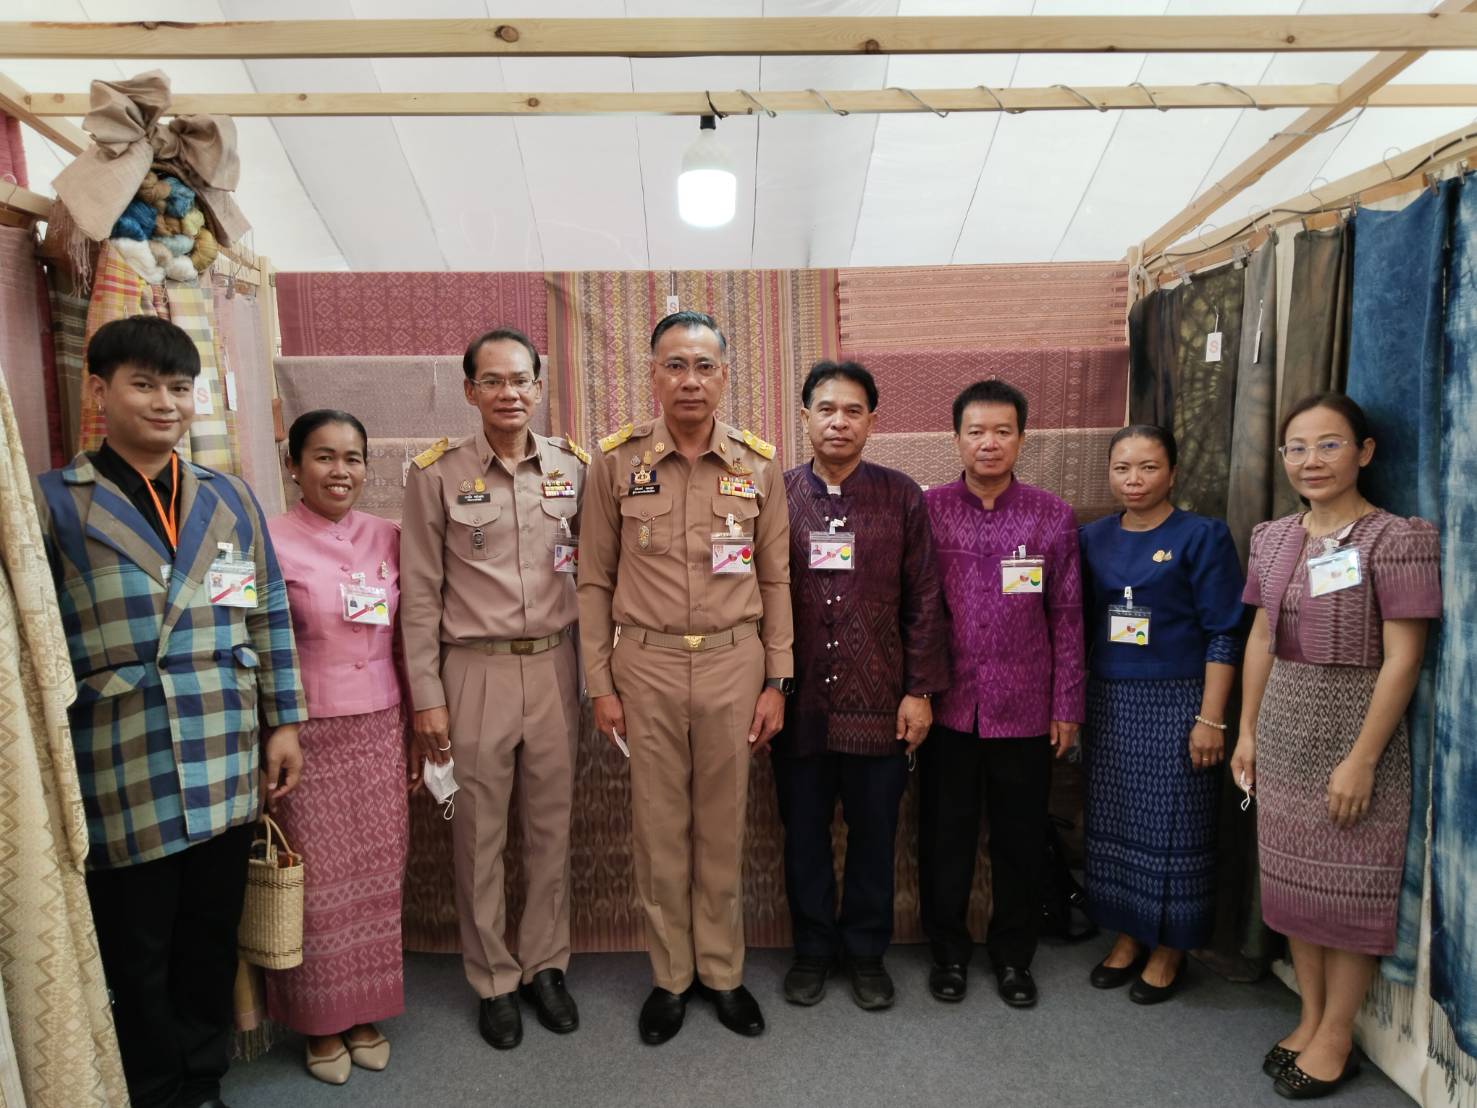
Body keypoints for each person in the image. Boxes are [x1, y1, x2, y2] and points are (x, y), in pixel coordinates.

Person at [34, 315, 304, 1108]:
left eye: (178, 388)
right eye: (143, 384)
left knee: (208, 937)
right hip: (123, 748)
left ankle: (203, 1079)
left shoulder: (228, 497)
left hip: (224, 745)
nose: (164, 403)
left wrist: (282, 721)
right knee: (136, 941)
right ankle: (153, 1089)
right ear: (100, 389)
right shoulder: (56, 503)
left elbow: (267, 611)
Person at [577, 311, 794, 1045]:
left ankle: (724, 975)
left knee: (723, 826)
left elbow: (776, 580)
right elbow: (592, 581)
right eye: (674, 364)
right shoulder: (615, 463)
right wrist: (600, 683)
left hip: (736, 662)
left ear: (724, 374)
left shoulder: (757, 464)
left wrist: (779, 680)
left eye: (703, 365)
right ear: (654, 374)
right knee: (659, 829)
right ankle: (670, 978)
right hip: (647, 665)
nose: (689, 380)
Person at [1233, 392, 1439, 1099]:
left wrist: (1361, 757)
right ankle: (1311, 1015)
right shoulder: (1272, 537)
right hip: (1284, 726)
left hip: (1357, 732)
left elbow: (1403, 658)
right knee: (1292, 885)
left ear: (1364, 451)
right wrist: (1248, 730)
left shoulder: (1395, 538)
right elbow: (1260, 636)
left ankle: (1336, 1033)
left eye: (1328, 444)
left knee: (1348, 889)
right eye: (1296, 447)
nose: (1310, 460)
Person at [400, 327, 588, 1051]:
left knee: (550, 825)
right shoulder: (437, 474)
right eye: (493, 381)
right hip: (470, 670)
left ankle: (545, 966)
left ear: (538, 386)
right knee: (478, 834)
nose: (509, 393)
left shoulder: (573, 468)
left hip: (552, 663)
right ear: (470, 389)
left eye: (521, 380)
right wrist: (426, 695)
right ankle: (492, 979)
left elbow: (593, 577)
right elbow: (418, 594)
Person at [775, 360, 949, 1011]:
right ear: (804, 416)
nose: (838, 421)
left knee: (875, 833)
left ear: (872, 421)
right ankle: (814, 949)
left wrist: (919, 691)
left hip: (880, 702)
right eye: (825, 408)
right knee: (803, 833)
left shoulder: (902, 495)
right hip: (798, 704)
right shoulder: (774, 493)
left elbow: (925, 600)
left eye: (852, 411)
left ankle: (866, 953)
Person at [920, 377, 1084, 1010]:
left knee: (1018, 841)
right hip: (948, 709)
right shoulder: (929, 509)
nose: (989, 444)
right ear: (956, 438)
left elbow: (1068, 616)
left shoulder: (1052, 515)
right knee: (945, 839)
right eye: (976, 431)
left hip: (1025, 710)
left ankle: (1015, 957)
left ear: (1022, 438)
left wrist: (1067, 704)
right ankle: (948, 955)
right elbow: (916, 611)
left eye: (1002, 431)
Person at [265, 410, 409, 1084]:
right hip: (306, 734)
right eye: (324, 457)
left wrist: (420, 732)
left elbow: (410, 638)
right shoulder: (264, 540)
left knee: (378, 873)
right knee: (317, 881)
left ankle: (366, 1009)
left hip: (381, 725)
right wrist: (273, 728)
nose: (340, 472)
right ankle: (319, 1022)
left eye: (353, 458)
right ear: (293, 464)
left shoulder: (390, 537)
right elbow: (252, 645)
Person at [1078, 425, 1244, 1004]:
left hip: (1181, 701)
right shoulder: (1092, 538)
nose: (1135, 479)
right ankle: (1128, 935)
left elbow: (1225, 631)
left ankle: (1171, 948)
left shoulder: (1202, 535)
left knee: (1177, 827)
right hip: (1111, 698)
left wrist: (1212, 717)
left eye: (1148, 467)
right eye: (1122, 468)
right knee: (1118, 821)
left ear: (1172, 472)